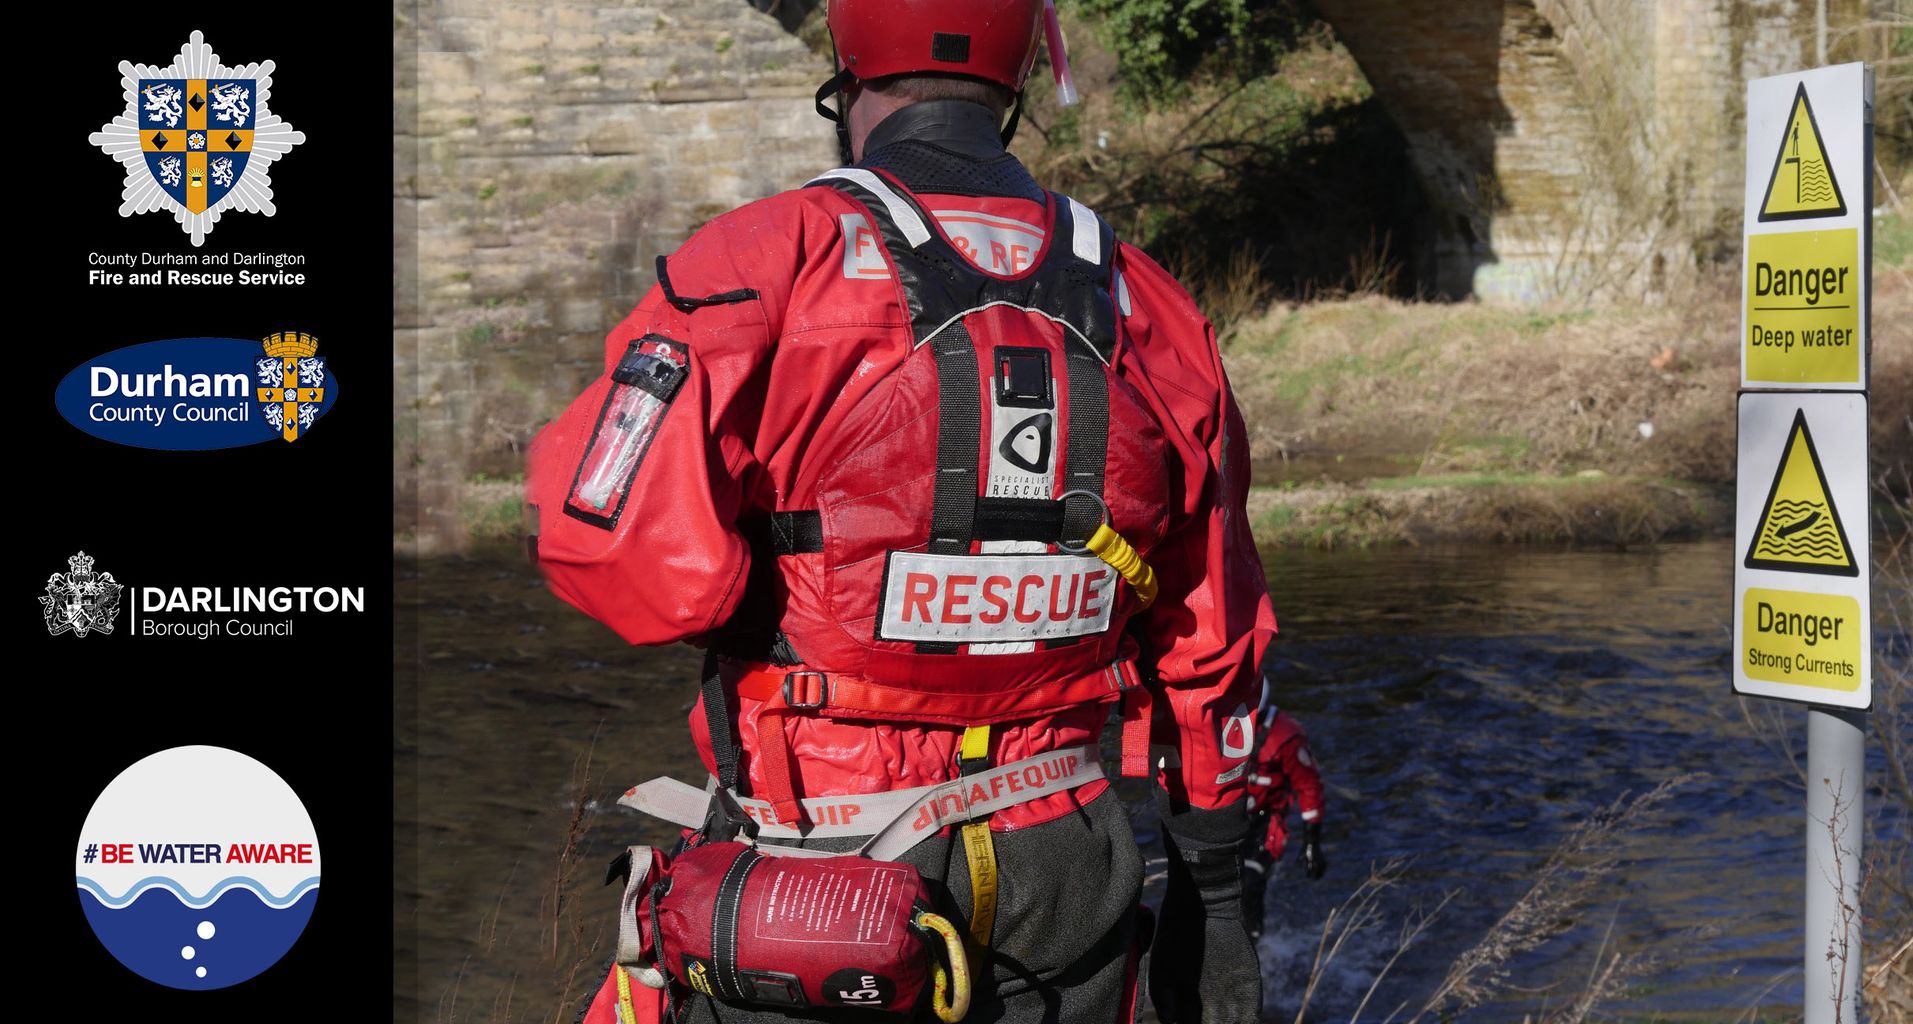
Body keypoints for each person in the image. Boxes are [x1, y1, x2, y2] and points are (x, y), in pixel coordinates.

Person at [526, 2, 1277, 1022]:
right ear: (1015, 88)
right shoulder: (1150, 300)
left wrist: (759, 595)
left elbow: (607, 542)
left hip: (814, 872)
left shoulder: (762, 259)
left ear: (845, 77)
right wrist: (1214, 891)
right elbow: (1213, 639)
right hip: (1064, 871)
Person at [1239, 701, 1327, 939]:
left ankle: (1252, 942)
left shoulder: (1285, 735)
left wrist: (1312, 840)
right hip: (1227, 811)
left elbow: (1308, 786)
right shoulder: (1215, 722)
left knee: (1250, 880)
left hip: (1266, 818)